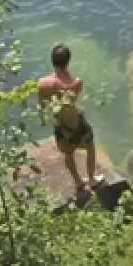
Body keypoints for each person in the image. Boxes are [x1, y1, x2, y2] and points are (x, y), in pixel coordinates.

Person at [37, 44, 99, 199]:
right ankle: (91, 179)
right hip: (76, 124)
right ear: (68, 61)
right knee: (90, 147)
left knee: (68, 153)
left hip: (60, 126)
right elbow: (70, 98)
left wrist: (43, 120)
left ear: (52, 61)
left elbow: (42, 105)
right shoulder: (76, 82)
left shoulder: (42, 83)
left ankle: (78, 182)